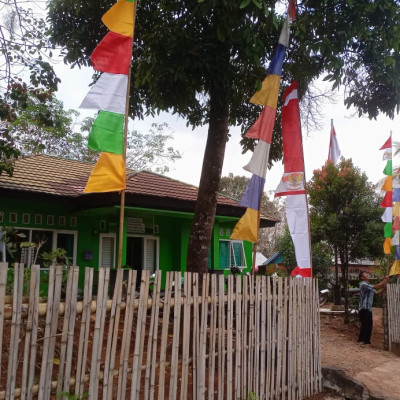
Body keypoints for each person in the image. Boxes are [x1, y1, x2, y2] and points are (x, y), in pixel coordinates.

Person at [357, 271, 389, 345]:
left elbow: (377, 292)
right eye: (365, 274)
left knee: (369, 325)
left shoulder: (369, 285)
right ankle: (361, 341)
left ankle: (366, 341)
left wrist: (384, 287)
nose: (367, 275)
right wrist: (385, 280)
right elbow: (377, 286)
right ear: (362, 277)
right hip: (364, 308)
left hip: (368, 308)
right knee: (365, 325)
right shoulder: (363, 284)